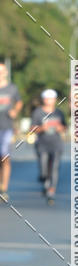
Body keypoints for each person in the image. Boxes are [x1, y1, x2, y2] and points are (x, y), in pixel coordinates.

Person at [31, 89, 67, 204]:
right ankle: (45, 182)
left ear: (55, 100)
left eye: (51, 98)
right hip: (42, 144)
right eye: (47, 98)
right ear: (43, 99)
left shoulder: (59, 113)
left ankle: (51, 191)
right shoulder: (38, 112)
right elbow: (32, 128)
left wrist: (61, 128)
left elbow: (65, 126)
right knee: (44, 170)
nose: (49, 101)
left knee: (55, 168)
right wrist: (42, 128)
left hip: (56, 144)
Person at [0, 62, 22, 204]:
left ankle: (4, 188)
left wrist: (15, 111)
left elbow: (19, 102)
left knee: (5, 156)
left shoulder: (12, 88)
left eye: (2, 71)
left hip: (6, 127)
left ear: (6, 73)